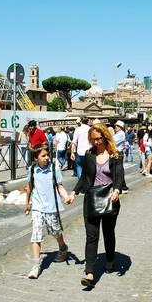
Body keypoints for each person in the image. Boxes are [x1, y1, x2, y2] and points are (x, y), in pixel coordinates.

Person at [67, 123, 126, 288]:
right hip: (91, 199)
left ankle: (110, 259)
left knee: (108, 233)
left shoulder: (115, 155)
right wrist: (74, 193)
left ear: (106, 137)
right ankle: (90, 273)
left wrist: (117, 190)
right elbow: (84, 177)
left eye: (99, 139)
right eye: (93, 140)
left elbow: (119, 175)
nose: (97, 142)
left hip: (109, 198)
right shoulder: (89, 154)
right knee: (91, 237)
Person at [25, 144, 71, 279]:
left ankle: (62, 247)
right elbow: (29, 187)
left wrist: (66, 197)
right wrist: (27, 203)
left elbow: (60, 186)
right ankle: (36, 265)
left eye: (47, 155)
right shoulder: (32, 169)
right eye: (43, 156)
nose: (46, 158)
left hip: (51, 207)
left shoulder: (54, 168)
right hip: (37, 206)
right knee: (36, 233)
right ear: (35, 158)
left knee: (55, 231)